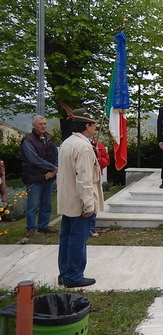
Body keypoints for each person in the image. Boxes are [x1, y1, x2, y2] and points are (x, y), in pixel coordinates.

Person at [57, 108, 104, 288]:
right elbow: (84, 179)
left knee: (67, 239)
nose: (95, 128)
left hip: (68, 200)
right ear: (87, 125)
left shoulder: (68, 142)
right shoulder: (83, 147)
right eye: (93, 125)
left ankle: (65, 274)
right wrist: (88, 205)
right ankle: (74, 276)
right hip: (79, 201)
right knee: (77, 239)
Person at [20, 115, 59, 238]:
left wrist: (53, 171)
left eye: (45, 124)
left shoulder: (49, 139)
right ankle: (31, 228)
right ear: (34, 126)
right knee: (33, 204)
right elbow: (34, 159)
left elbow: (56, 156)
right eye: (40, 124)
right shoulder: (28, 140)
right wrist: (51, 168)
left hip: (48, 177)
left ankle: (44, 225)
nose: (43, 126)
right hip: (34, 177)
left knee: (46, 203)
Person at [88, 138, 110, 237]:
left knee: (95, 202)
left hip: (95, 178)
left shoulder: (98, 145)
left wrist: (98, 159)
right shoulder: (81, 145)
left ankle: (91, 226)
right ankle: (85, 227)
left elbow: (106, 160)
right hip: (84, 177)